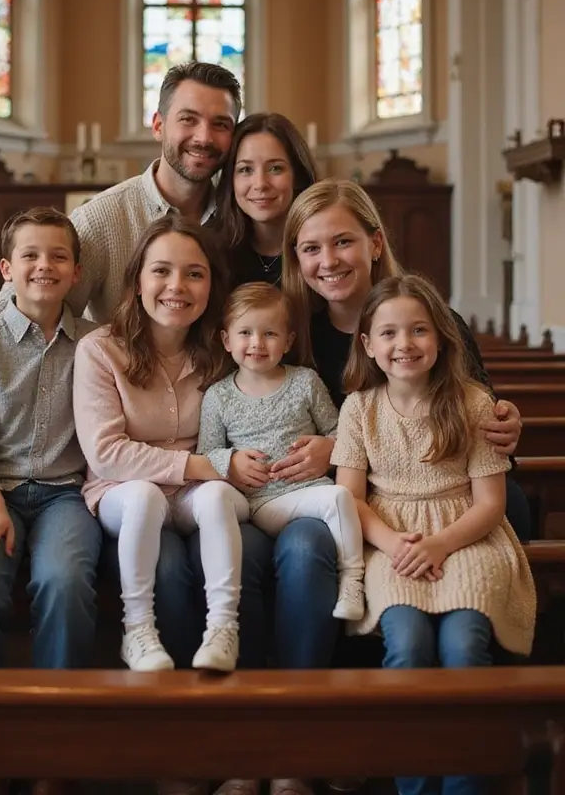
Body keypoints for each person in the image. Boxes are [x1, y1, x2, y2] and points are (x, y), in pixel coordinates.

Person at [0, 61, 242, 538]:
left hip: (199, 410)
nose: (204, 137)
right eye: (188, 119)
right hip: (120, 422)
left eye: (220, 124)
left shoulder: (238, 217)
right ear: (158, 125)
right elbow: (19, 298)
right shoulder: (105, 217)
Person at [331, 273, 536, 795]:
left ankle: (464, 786)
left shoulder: (473, 403)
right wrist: (392, 542)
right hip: (391, 541)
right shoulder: (359, 409)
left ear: (441, 339)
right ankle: (416, 786)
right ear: (368, 345)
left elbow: (491, 504)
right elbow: (350, 498)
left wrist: (441, 543)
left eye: (419, 330)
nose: (405, 343)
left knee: (464, 647)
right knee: (407, 646)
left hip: (468, 537)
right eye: (389, 333)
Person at [0, 209, 103, 793]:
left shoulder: (95, 343)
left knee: (65, 581)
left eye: (58, 256)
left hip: (64, 494)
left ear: (76, 272)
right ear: (7, 269)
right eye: (30, 255)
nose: (44, 266)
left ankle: (55, 748)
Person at [281, 179, 531, 541]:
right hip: (352, 495)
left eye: (343, 242)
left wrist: (504, 422)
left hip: (447, 487)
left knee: (513, 507)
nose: (329, 260)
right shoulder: (294, 339)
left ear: (376, 244)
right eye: (311, 248)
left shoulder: (438, 324)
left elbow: (478, 413)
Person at [74, 216, 248, 673]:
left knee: (216, 495)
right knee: (146, 496)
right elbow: (106, 454)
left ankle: (223, 629)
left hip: (194, 495)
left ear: (211, 286)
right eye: (161, 271)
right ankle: (137, 630)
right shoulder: (100, 350)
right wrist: (201, 465)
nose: (177, 286)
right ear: (137, 281)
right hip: (121, 492)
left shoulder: (223, 350)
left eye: (195, 273)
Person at [198, 282, 364, 621]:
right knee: (338, 499)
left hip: (313, 490)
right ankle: (351, 576)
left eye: (270, 334)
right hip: (264, 502)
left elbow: (339, 432)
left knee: (341, 496)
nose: (257, 343)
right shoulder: (218, 396)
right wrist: (231, 461)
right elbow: (207, 454)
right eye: (245, 333)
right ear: (226, 340)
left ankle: (353, 581)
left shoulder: (305, 381)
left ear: (288, 341)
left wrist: (328, 447)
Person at [216, 113, 317, 287]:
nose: (260, 184)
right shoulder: (214, 252)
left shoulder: (322, 252)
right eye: (246, 170)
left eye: (275, 168)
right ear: (231, 180)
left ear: (298, 175)